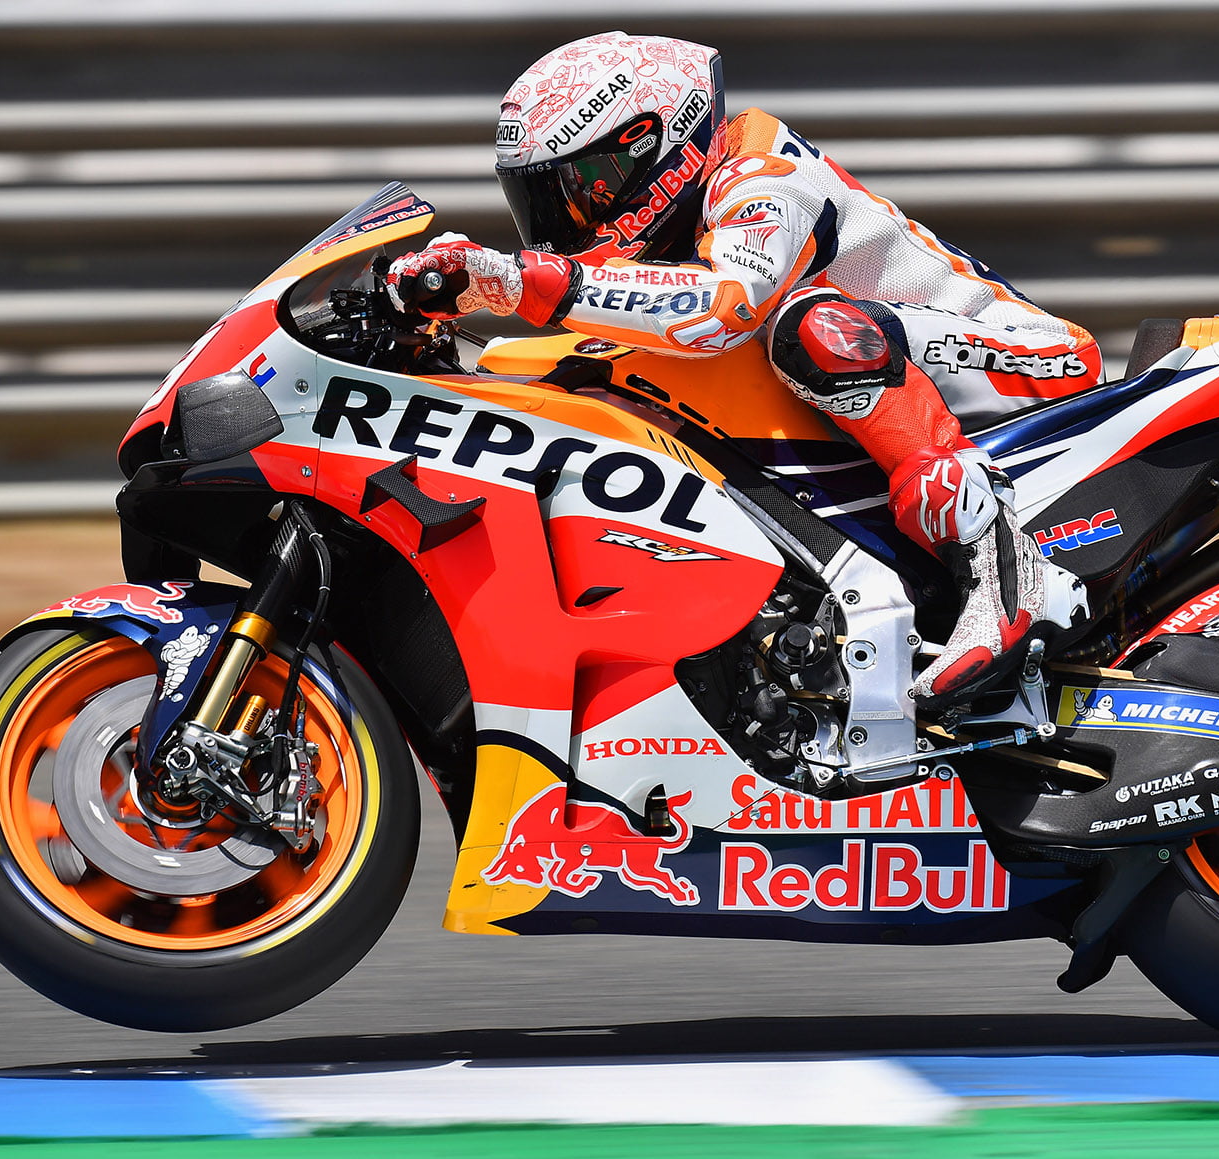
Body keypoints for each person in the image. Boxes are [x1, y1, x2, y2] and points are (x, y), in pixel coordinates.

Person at [385, 31, 1102, 707]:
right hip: (907, 381)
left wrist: (523, 282)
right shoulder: (684, 216)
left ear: (653, 143)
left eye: (587, 187)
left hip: (1031, 359)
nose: (567, 222)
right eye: (542, 202)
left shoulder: (762, 173)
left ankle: (1006, 570)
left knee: (814, 329)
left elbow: (724, 308)